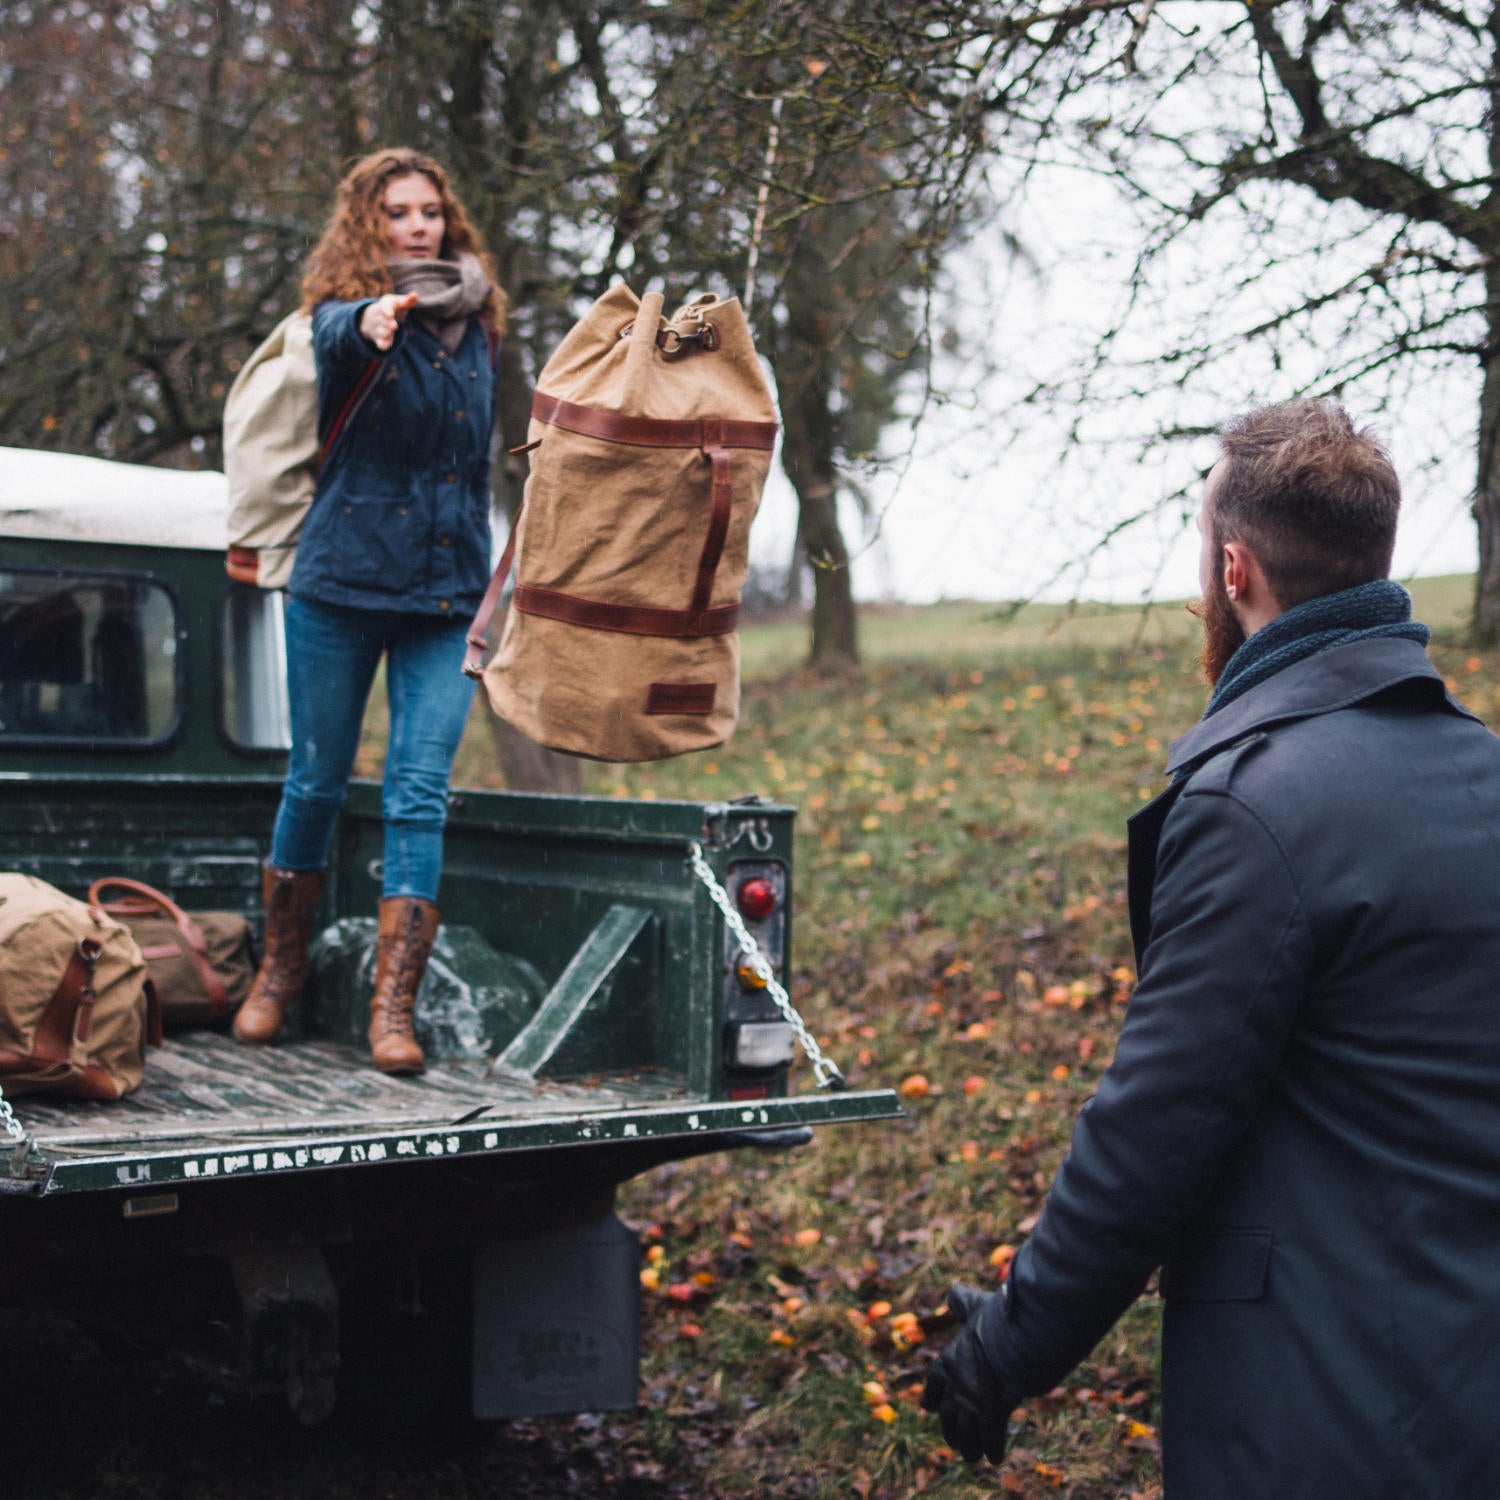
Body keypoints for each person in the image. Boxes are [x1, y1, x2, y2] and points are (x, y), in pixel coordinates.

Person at [922, 399, 1500, 1496]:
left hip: (1329, 1405)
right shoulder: (1484, 774)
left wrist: (1008, 1348)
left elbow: (1154, 1130)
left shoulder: (1258, 808)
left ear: (1235, 571)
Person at [233, 147, 505, 1074]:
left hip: (446, 593)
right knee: (315, 782)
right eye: (398, 212)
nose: (419, 225)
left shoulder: (484, 323)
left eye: (430, 210)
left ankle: (395, 1010)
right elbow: (343, 331)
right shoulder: (342, 319)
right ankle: (279, 973)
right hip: (341, 585)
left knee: (418, 791)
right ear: (369, 224)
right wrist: (374, 317)